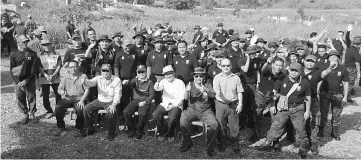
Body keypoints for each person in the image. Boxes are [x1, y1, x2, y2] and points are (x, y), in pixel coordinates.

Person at [259, 62, 311, 159]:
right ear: (289, 70)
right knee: (276, 125)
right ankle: (267, 143)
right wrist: (272, 105)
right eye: (292, 70)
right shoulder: (281, 79)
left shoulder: (304, 81)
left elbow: (308, 97)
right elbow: (274, 94)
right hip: (283, 107)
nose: (294, 73)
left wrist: (307, 111)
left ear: (300, 72)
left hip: (298, 108)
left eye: (297, 71)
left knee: (300, 128)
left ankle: (303, 147)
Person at [179, 67, 218, 157]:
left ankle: (210, 146)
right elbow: (185, 98)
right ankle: (188, 142)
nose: (199, 78)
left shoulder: (207, 84)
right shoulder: (189, 84)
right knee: (182, 121)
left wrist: (206, 90)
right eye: (196, 76)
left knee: (214, 125)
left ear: (204, 76)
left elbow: (213, 96)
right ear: (193, 76)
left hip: (205, 110)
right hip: (192, 109)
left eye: (201, 76)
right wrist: (186, 91)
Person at [80, 64, 122, 141]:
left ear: (111, 71)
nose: (105, 73)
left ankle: (111, 133)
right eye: (103, 71)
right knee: (86, 109)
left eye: (107, 71)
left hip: (111, 101)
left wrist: (114, 104)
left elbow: (118, 94)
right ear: (101, 71)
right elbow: (91, 83)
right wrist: (84, 81)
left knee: (111, 113)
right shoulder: (98, 78)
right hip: (100, 100)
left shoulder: (117, 80)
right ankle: (90, 128)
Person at [213, 58, 244, 153]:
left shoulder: (236, 78)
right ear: (220, 66)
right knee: (221, 125)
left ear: (231, 66)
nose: (226, 67)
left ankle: (235, 144)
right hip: (220, 105)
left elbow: (239, 92)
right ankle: (223, 143)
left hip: (233, 105)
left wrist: (240, 104)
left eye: (227, 65)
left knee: (234, 127)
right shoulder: (217, 77)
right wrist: (226, 100)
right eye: (223, 66)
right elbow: (217, 92)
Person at [318, 50, 349, 141]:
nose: (333, 58)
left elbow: (346, 83)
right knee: (323, 113)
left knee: (336, 114)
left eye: (335, 57)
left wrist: (346, 96)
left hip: (337, 94)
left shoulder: (343, 69)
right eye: (331, 57)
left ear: (338, 58)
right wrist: (317, 91)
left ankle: (334, 132)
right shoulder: (324, 66)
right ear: (328, 58)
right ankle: (321, 130)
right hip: (325, 93)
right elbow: (321, 78)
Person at [10, 35, 40, 124]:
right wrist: (18, 82)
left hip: (29, 79)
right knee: (20, 97)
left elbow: (33, 69)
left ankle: (32, 113)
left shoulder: (33, 53)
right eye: (24, 42)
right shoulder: (13, 54)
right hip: (18, 81)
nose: (26, 43)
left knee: (31, 96)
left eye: (27, 41)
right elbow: (12, 70)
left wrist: (26, 80)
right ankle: (25, 114)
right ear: (18, 42)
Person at [54, 60, 90, 136]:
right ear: (68, 68)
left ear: (78, 67)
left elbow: (87, 90)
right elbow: (59, 89)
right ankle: (61, 127)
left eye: (74, 67)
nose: (73, 69)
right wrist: (62, 92)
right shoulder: (65, 77)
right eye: (71, 67)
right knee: (58, 107)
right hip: (68, 98)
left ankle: (79, 128)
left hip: (80, 99)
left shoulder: (83, 76)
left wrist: (82, 100)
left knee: (80, 110)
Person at [153, 65, 185, 141]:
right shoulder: (163, 81)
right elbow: (158, 88)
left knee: (172, 118)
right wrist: (156, 85)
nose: (168, 76)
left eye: (170, 73)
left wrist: (173, 105)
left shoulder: (180, 82)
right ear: (164, 75)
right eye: (166, 74)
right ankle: (161, 132)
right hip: (165, 103)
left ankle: (170, 133)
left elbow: (182, 97)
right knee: (155, 114)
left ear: (174, 73)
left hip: (176, 104)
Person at [123, 65, 155, 139]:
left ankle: (139, 129)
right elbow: (131, 83)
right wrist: (127, 82)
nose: (141, 74)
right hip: (136, 100)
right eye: (139, 72)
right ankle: (131, 130)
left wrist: (145, 102)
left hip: (145, 101)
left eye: (143, 72)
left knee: (142, 113)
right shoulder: (135, 80)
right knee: (126, 112)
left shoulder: (150, 82)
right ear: (137, 73)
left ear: (146, 72)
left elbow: (152, 95)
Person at [238, 46, 262, 141]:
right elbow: (245, 70)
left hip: (253, 84)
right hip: (244, 84)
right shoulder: (241, 60)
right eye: (250, 53)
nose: (253, 55)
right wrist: (248, 58)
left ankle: (251, 124)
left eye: (254, 53)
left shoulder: (257, 60)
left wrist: (258, 82)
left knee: (253, 105)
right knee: (243, 105)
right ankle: (241, 124)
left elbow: (257, 71)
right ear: (247, 53)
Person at [302, 55, 322, 154]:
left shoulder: (317, 73)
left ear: (315, 63)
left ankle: (313, 143)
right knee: (302, 121)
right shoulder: (298, 72)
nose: (309, 63)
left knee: (315, 120)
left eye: (312, 61)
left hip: (313, 99)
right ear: (303, 61)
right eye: (308, 61)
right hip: (300, 101)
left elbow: (326, 73)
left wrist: (331, 67)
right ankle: (304, 142)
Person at [38, 36, 62, 119]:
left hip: (55, 77)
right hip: (44, 77)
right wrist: (45, 75)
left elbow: (59, 65)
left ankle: (58, 110)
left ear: (51, 45)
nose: (46, 46)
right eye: (44, 45)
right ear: (42, 46)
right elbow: (39, 67)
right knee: (45, 95)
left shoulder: (57, 54)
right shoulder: (40, 55)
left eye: (48, 44)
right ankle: (49, 110)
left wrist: (54, 75)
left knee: (58, 94)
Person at [146, 36, 173, 106]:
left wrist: (169, 77)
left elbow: (170, 65)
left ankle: (165, 108)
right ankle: (157, 108)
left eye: (161, 43)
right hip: (154, 76)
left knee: (166, 93)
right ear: (154, 44)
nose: (159, 44)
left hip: (164, 76)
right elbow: (149, 66)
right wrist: (148, 77)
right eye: (158, 43)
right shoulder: (151, 53)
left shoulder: (167, 52)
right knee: (156, 94)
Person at [343, 36, 361, 101]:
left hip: (346, 67)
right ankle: (346, 97)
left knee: (346, 82)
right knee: (350, 83)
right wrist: (359, 73)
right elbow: (357, 63)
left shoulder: (349, 48)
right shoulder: (356, 52)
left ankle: (347, 96)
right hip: (352, 69)